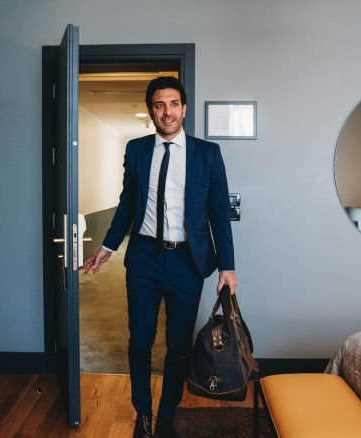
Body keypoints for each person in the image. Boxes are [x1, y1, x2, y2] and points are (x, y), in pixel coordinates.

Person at [82, 76, 237, 438]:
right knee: (140, 339)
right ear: (152, 110)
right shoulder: (137, 150)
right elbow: (126, 205)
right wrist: (107, 247)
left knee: (178, 345)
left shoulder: (207, 154)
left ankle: (167, 415)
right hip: (144, 259)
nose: (166, 111)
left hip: (187, 261)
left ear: (183, 109)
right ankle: (143, 414)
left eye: (172, 104)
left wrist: (227, 266)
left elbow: (218, 213)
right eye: (158, 104)